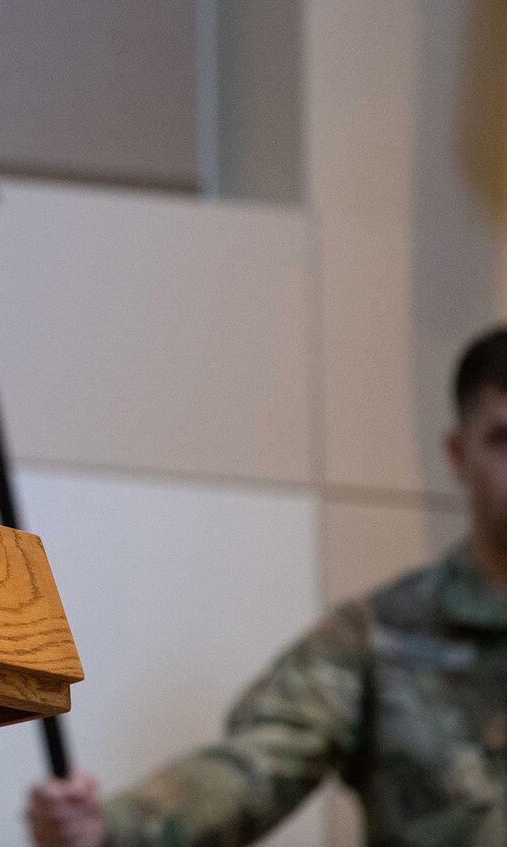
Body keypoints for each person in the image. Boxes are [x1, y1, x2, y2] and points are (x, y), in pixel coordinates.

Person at [25, 326, 507, 846]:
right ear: (459, 454)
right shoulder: (377, 637)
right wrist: (108, 827)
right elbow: (253, 767)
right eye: (504, 439)